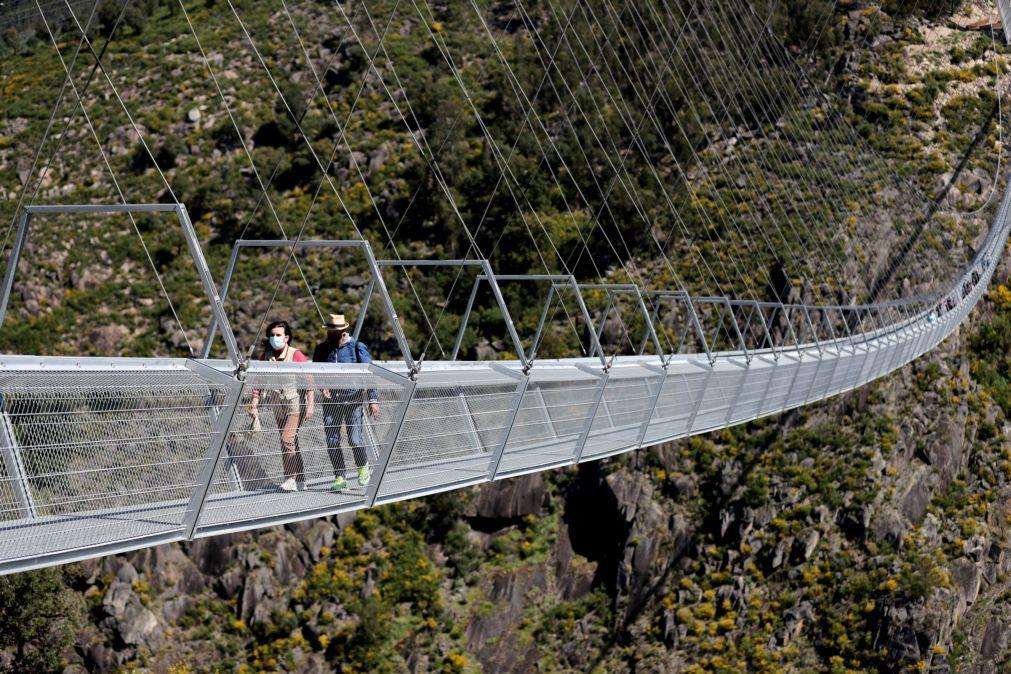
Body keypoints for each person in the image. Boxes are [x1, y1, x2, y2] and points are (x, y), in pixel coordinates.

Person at [312, 313, 380, 492]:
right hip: (331, 401)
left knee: (355, 439)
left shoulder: (356, 347)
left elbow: (370, 371)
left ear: (343, 332)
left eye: (333, 332)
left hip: (353, 399)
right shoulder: (321, 349)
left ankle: (362, 466)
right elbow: (316, 373)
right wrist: (322, 387)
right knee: (332, 440)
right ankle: (340, 476)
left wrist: (373, 399)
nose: (329, 334)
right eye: (328, 331)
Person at [250, 320, 314, 492]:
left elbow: (309, 379)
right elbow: (259, 381)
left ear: (286, 338)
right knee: (290, 442)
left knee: (287, 440)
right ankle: (301, 480)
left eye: (278, 335)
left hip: (295, 404)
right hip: (277, 405)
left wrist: (310, 404)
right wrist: (254, 405)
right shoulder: (266, 357)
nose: (275, 338)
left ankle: (290, 478)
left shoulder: (295, 355)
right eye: (272, 335)